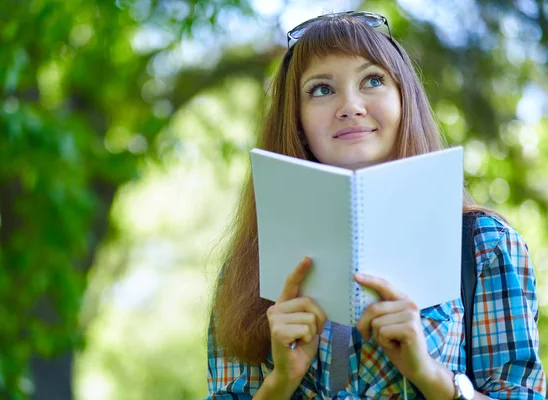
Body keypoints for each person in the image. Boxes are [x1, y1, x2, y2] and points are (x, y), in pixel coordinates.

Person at [206, 11, 546, 399]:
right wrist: (281, 381)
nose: (350, 106)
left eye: (372, 80)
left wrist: (429, 374)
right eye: (321, 89)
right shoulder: (250, 263)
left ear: (404, 100)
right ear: (295, 119)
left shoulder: (484, 245)